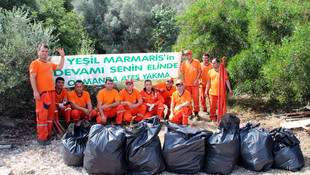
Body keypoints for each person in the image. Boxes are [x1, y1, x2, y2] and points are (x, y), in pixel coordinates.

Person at [29, 44, 65, 146]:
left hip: (51, 92)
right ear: (38, 52)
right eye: (42, 51)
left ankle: (48, 134)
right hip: (42, 94)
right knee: (42, 116)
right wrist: (35, 91)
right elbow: (32, 77)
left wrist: (62, 56)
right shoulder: (35, 63)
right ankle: (42, 138)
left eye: (46, 51)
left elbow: (60, 66)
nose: (44, 53)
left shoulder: (49, 64)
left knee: (50, 115)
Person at [180, 50, 201, 120]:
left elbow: (199, 72)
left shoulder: (197, 62)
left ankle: (197, 113)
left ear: (191, 55)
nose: (186, 56)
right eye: (185, 55)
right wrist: (183, 83)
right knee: (188, 100)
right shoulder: (184, 63)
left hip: (195, 84)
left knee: (196, 98)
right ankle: (190, 113)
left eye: (187, 55)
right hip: (187, 85)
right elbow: (182, 73)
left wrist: (196, 80)